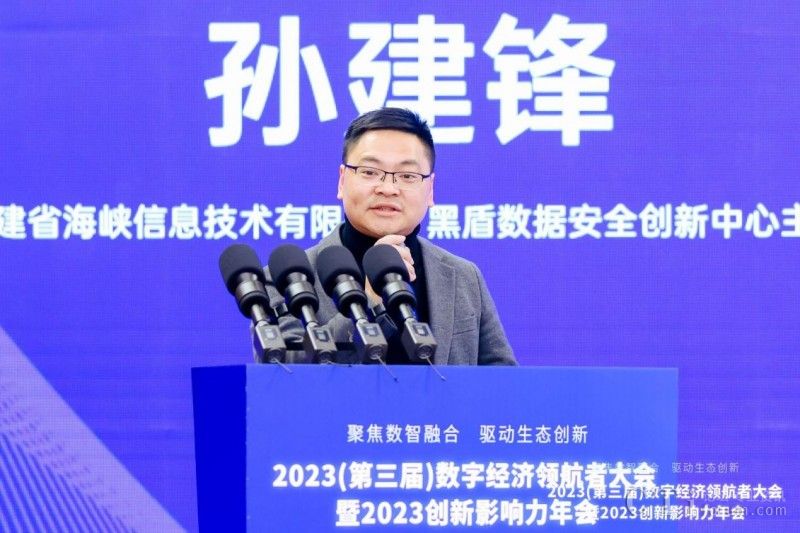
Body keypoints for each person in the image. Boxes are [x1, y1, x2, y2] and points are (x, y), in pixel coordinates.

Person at [270, 107, 516, 366]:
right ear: (342, 181)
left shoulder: (464, 277)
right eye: (369, 171)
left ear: (430, 190)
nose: (388, 188)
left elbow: (503, 379)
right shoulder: (285, 279)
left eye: (407, 176)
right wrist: (368, 302)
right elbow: (283, 374)